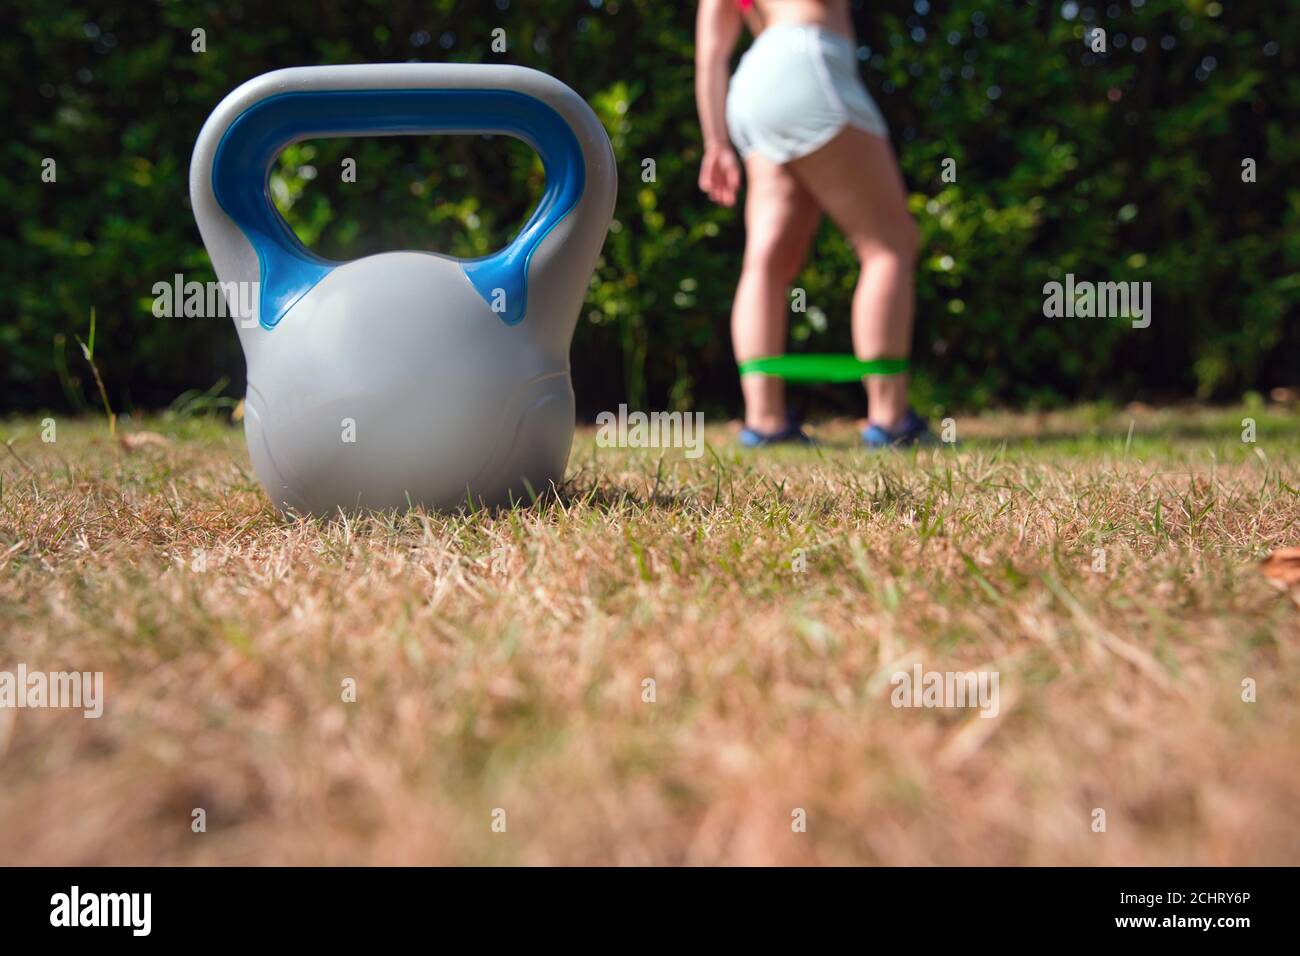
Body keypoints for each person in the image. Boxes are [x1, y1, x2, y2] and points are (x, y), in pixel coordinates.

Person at [694, 0, 932, 447]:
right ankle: (891, 417)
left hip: (754, 84)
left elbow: (710, 54)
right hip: (810, 63)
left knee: (768, 261)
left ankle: (764, 421)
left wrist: (716, 142)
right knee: (890, 245)